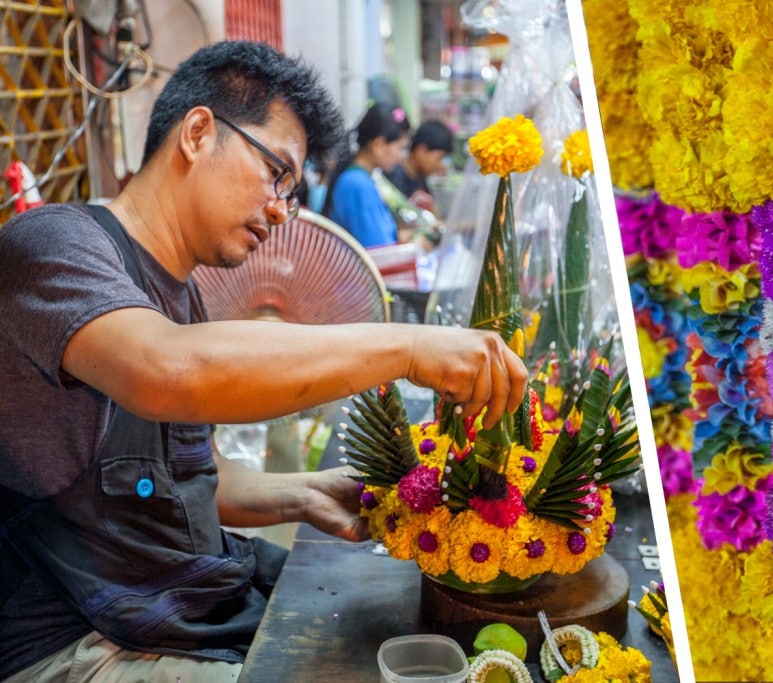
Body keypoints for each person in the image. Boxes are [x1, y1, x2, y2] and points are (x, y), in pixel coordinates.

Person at [0, 41, 528, 683]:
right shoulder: (52, 243)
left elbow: (193, 479)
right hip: (82, 641)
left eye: (293, 192)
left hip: (179, 602)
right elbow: (164, 372)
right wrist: (408, 347)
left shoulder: (185, 296)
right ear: (198, 133)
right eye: (276, 173)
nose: (281, 209)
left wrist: (302, 493)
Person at [324, 102, 409, 248]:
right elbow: (380, 250)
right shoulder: (358, 184)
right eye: (401, 148)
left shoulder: (363, 178)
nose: (402, 156)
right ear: (378, 145)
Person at [384, 119, 454, 214]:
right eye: (439, 158)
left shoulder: (420, 176)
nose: (440, 165)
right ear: (421, 151)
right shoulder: (393, 176)